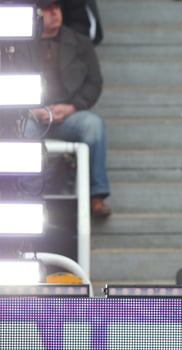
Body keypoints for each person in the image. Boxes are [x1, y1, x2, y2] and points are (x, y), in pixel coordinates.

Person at [25, 0, 111, 217]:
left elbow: (94, 82)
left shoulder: (80, 42)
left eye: (57, 8)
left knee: (93, 125)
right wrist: (28, 110)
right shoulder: (20, 45)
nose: (54, 14)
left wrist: (72, 107)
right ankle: (27, 193)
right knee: (22, 132)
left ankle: (96, 194)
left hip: (67, 114)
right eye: (48, 10)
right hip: (31, 115)